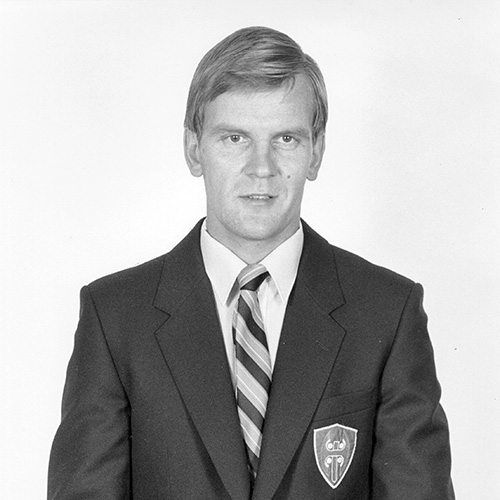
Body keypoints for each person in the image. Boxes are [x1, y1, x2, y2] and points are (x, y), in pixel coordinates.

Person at [48, 26, 455, 499]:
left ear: (316, 153)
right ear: (194, 149)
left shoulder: (387, 311)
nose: (261, 167)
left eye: (286, 138)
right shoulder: (115, 317)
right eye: (235, 138)